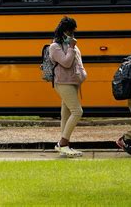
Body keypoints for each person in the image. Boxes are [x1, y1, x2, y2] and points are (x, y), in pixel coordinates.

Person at [49, 16, 87, 157]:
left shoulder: (72, 45)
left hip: (73, 82)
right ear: (64, 31)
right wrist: (71, 47)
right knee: (77, 111)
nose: (72, 34)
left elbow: (77, 63)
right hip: (63, 82)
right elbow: (66, 62)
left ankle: (65, 147)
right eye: (70, 31)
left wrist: (83, 75)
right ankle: (62, 143)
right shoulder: (55, 47)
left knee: (65, 114)